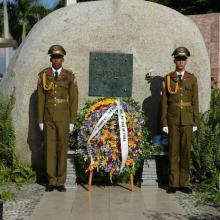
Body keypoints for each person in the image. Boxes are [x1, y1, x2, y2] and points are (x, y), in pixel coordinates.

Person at [37, 45, 78, 192]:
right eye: (54, 58)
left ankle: (60, 181)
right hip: (48, 117)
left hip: (63, 118)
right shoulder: (43, 76)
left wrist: (72, 121)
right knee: (49, 148)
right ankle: (51, 181)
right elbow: (41, 99)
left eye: (59, 58)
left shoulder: (69, 76)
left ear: (63, 60)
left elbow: (73, 100)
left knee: (62, 148)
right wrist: (40, 120)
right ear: (50, 59)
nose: (56, 60)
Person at [161, 47, 199, 194]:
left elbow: (195, 101)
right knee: (173, 152)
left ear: (186, 61)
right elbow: (164, 102)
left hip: (188, 120)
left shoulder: (192, 78)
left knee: (185, 152)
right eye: (178, 59)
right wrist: (164, 122)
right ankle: (173, 183)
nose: (181, 62)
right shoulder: (168, 78)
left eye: (183, 59)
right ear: (174, 61)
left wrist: (196, 122)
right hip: (173, 119)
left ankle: (184, 183)